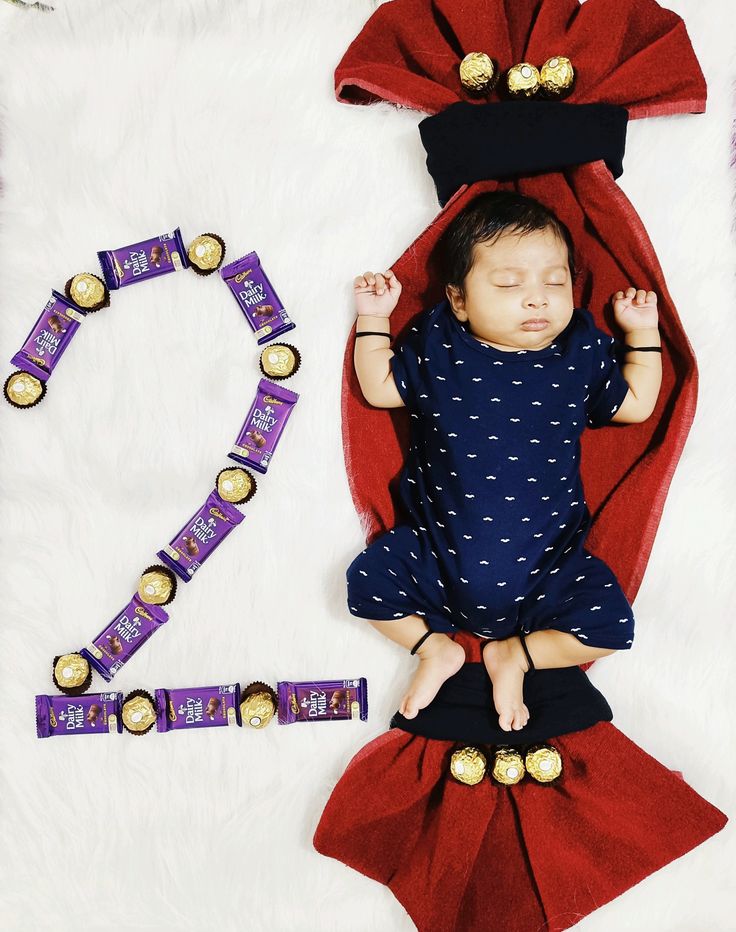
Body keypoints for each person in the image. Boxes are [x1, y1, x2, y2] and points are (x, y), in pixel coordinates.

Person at [347, 191, 662, 731]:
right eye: (510, 284)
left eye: (555, 282)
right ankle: (433, 649)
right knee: (365, 585)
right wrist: (375, 319)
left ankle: (517, 654)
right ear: (460, 300)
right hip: (439, 552)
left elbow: (635, 404)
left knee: (611, 627)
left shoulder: (579, 351)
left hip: (548, 564)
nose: (536, 299)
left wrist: (642, 333)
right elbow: (379, 388)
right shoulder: (440, 344)